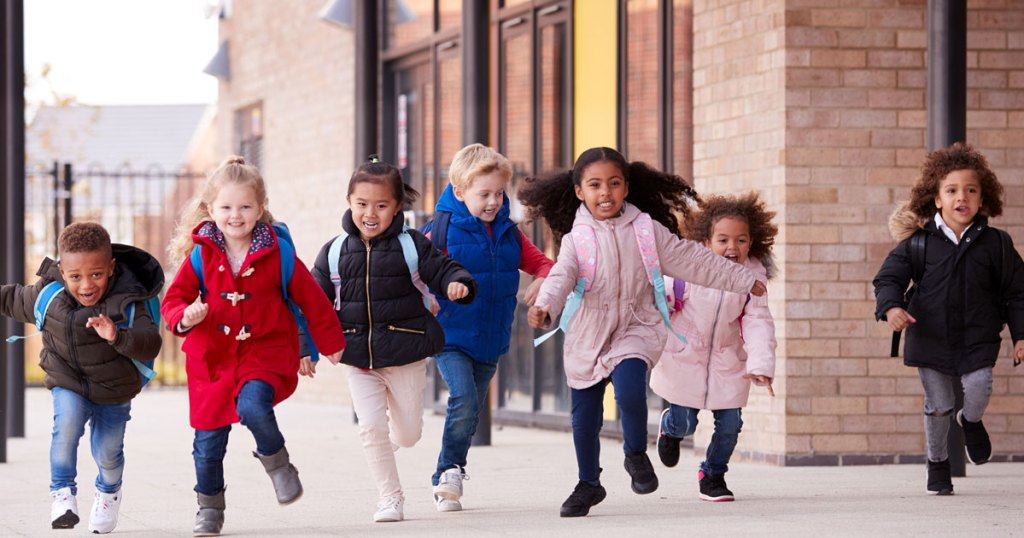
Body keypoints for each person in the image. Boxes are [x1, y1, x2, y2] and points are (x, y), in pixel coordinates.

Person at [520, 146, 766, 517]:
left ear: (626, 187)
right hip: (589, 333)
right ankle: (589, 483)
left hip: (636, 325)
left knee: (631, 388)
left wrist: (742, 279)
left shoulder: (646, 231)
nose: (606, 192)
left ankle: (635, 453)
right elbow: (560, 277)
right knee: (583, 418)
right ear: (579, 192)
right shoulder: (576, 239)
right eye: (596, 185)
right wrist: (545, 307)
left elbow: (693, 260)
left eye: (614, 183)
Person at [162, 156, 346, 536]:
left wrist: (328, 342)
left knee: (252, 405)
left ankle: (278, 463)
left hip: (263, 353)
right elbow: (173, 301)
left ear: (261, 209)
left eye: (245, 206)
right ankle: (209, 508)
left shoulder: (277, 254)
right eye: (226, 207)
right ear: (211, 209)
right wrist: (186, 314)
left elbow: (312, 300)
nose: (235, 215)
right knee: (207, 443)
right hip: (212, 360)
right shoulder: (201, 255)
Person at [309, 157, 476, 523]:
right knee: (370, 428)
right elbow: (312, 300)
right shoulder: (334, 251)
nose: (371, 213)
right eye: (362, 204)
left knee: (409, 433)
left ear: (397, 207)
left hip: (405, 354)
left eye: (382, 205)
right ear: (349, 201)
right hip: (357, 357)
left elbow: (441, 267)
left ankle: (388, 445)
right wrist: (307, 346)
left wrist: (455, 282)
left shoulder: (411, 245)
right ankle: (390, 497)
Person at [873, 142, 1024, 496]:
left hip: (978, 336)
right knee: (939, 406)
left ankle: (970, 421)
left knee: (979, 386)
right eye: (952, 190)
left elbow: (1018, 292)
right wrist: (892, 307)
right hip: (930, 336)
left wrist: (1021, 335)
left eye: (971, 190)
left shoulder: (997, 244)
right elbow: (888, 279)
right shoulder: (919, 243)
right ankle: (938, 463)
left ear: (982, 199)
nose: (962, 197)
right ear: (937, 198)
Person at [1, 222, 163, 533]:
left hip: (114, 388)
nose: (86, 285)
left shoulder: (130, 299)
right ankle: (62, 494)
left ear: (111, 268)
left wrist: (117, 335)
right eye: (75, 277)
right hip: (69, 382)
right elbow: (11, 298)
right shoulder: (47, 295)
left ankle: (108, 492)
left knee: (108, 452)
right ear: (62, 271)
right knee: (66, 426)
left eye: (96, 274)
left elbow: (150, 341)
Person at [423, 144, 554, 512]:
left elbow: (543, 264)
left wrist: (543, 281)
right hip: (450, 335)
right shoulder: (440, 231)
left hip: (491, 338)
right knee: (463, 398)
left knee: (471, 410)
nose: (494, 201)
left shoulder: (509, 233)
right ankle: (447, 471)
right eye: (485, 194)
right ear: (460, 191)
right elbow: (413, 273)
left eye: (500, 193)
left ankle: (452, 466)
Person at [650, 191, 778, 503]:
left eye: (741, 240)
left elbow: (758, 322)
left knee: (730, 425)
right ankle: (670, 429)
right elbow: (659, 300)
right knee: (686, 422)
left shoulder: (753, 280)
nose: (732, 248)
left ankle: (713, 474)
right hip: (684, 357)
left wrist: (760, 365)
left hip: (728, 361)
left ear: (752, 242)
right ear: (707, 241)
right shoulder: (687, 271)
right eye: (723, 240)